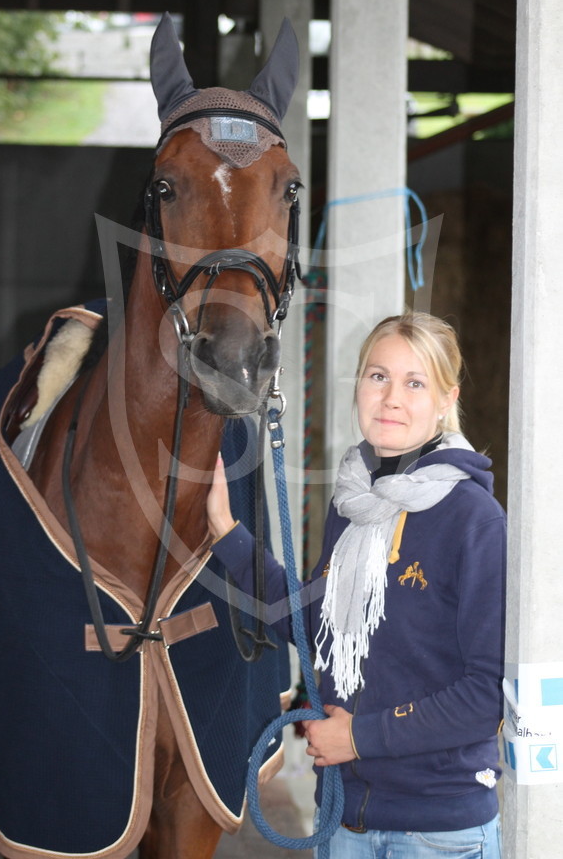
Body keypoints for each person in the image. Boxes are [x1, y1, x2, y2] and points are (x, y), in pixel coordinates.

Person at [207, 311, 506, 859]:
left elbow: (485, 696)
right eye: (378, 376)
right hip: (344, 821)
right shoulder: (355, 507)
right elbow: (318, 628)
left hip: (437, 833)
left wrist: (358, 738)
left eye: (415, 383)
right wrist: (227, 533)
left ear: (446, 399)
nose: (392, 397)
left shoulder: (474, 519)